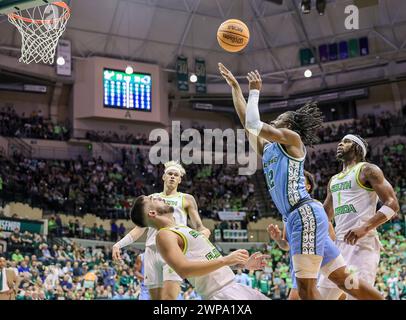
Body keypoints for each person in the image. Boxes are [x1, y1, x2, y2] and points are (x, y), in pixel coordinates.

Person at [219, 63, 383, 300]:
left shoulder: (293, 140)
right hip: (298, 217)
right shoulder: (269, 149)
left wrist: (254, 91)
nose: (273, 121)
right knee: (344, 280)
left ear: (289, 125)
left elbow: (254, 123)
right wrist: (235, 88)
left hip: (303, 214)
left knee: (306, 290)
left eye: (278, 119)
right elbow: (248, 122)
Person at [129, 195, 270, 300]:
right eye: (153, 199)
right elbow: (184, 270)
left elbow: (205, 260)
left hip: (234, 286)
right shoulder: (164, 235)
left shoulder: (180, 228)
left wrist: (243, 264)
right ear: (152, 213)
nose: (160, 197)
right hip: (221, 294)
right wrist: (226, 260)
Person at [112, 161, 210, 300]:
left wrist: (203, 235)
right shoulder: (153, 199)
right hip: (151, 250)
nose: (172, 177)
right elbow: (140, 228)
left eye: (176, 175)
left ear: (180, 179)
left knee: (170, 297)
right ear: (163, 177)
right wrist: (118, 244)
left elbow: (200, 227)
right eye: (170, 174)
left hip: (172, 250)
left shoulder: (187, 199)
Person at [318, 135, 400, 299]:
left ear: (357, 147)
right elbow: (325, 217)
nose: (340, 143)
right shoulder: (333, 180)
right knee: (320, 295)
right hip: (338, 246)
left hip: (362, 243)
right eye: (340, 141)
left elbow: (392, 204)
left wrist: (365, 227)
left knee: (357, 296)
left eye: (346, 141)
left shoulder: (368, 169)